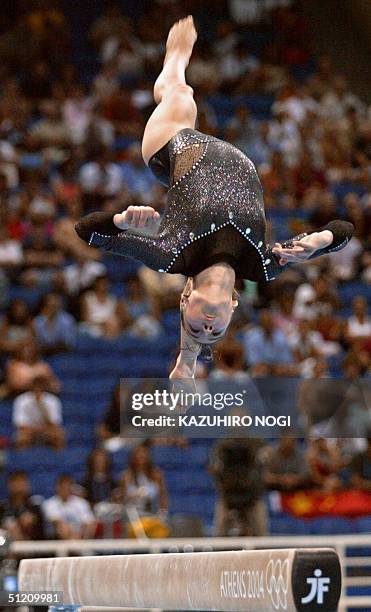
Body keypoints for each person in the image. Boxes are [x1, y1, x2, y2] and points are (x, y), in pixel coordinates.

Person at [76, 16, 354, 378]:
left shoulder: (172, 254)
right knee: (186, 102)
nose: (208, 326)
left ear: (185, 299)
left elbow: (87, 231)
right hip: (228, 150)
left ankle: (173, 64)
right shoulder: (262, 264)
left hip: (170, 146)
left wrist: (120, 221)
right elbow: (345, 229)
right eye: (215, 330)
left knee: (180, 94)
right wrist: (319, 241)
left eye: (196, 328)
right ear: (233, 309)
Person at [12, 376, 65, 449]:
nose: (38, 390)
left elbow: (54, 423)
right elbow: (20, 424)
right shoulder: (22, 400)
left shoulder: (53, 400)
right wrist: (34, 430)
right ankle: (21, 457)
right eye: (35, 387)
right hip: (28, 430)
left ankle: (59, 458)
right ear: (31, 387)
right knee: (21, 437)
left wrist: (41, 406)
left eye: (40, 387)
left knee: (58, 435)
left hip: (46, 429)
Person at [42, 474, 96, 540]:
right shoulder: (49, 504)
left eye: (68, 487)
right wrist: (72, 535)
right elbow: (57, 522)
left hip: (80, 536)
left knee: (91, 525)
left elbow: (89, 522)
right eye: (63, 487)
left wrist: (80, 536)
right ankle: (74, 545)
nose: (66, 490)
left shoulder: (81, 503)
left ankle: (81, 545)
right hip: (56, 538)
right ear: (57, 487)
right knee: (63, 527)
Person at [0, 471, 45, 540]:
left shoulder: (35, 505)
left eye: (22, 481)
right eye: (15, 481)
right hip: (6, 545)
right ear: (9, 484)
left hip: (32, 546)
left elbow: (41, 529)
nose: (19, 485)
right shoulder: (3, 507)